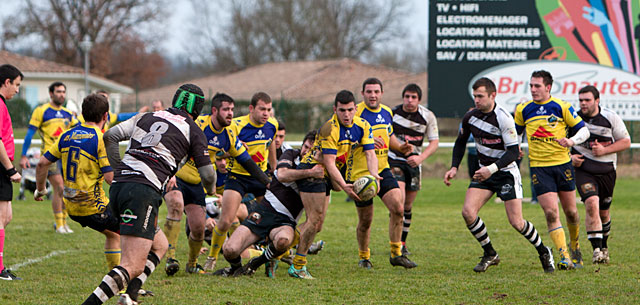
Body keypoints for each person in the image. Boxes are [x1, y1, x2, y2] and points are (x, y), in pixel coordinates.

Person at [82, 84, 215, 305]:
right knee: (131, 265)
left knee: (160, 245)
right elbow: (208, 175)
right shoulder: (193, 129)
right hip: (142, 192)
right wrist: (211, 191)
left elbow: (110, 136)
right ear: (198, 108)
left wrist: (118, 171)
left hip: (119, 188)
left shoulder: (146, 116)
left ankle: (131, 296)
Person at [443, 77, 555, 273]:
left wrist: (491, 169)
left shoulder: (503, 117)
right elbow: (460, 142)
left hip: (505, 173)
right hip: (484, 173)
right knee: (468, 212)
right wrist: (454, 167)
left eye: (480, 96)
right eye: (474, 96)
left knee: (517, 222)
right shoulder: (470, 117)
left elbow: (513, 152)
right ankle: (490, 253)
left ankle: (543, 250)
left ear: (492, 95)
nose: (476, 100)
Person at [163, 93, 268, 275]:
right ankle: (170, 259)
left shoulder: (228, 135)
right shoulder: (198, 125)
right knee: (176, 204)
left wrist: (268, 183)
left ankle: (192, 264)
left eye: (232, 110)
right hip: (176, 176)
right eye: (226, 109)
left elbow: (248, 162)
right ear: (214, 111)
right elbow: (172, 143)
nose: (230, 114)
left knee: (198, 229)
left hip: (197, 183)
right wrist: (169, 172)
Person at [291, 90, 380, 279]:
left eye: (349, 110)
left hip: (326, 173)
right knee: (314, 220)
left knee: (318, 224)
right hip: (312, 171)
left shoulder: (363, 125)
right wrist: (344, 185)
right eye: (342, 110)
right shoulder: (329, 129)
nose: (346, 115)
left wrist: (374, 176)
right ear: (335, 110)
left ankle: (277, 245)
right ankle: (297, 265)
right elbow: (329, 163)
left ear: (356, 109)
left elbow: (371, 153)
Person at [214, 131, 323, 278]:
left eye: (311, 149)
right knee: (230, 250)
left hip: (285, 221)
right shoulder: (291, 154)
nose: (306, 151)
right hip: (263, 212)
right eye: (305, 146)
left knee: (283, 241)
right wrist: (310, 172)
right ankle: (236, 268)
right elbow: (283, 175)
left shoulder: (321, 171)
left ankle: (255, 264)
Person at [514, 70, 590, 270]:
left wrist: (571, 141)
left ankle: (575, 247)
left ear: (548, 87)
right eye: (531, 86)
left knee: (572, 212)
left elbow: (584, 130)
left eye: (537, 86)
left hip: (563, 166)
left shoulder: (561, 107)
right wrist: (517, 148)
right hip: (539, 168)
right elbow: (515, 134)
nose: (533, 89)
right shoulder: (523, 110)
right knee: (550, 212)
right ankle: (564, 255)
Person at [34, 94, 119, 269]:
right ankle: (122, 284)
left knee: (114, 234)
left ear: (82, 113)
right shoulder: (100, 138)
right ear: (105, 116)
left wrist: (40, 189)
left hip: (71, 207)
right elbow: (111, 179)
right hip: (94, 207)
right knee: (126, 234)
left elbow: (42, 163)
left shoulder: (66, 136)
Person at [347, 78, 416, 269]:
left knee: (398, 208)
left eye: (376, 91)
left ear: (381, 93)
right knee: (366, 219)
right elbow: (344, 139)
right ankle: (364, 257)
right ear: (362, 94)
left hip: (382, 169)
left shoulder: (386, 112)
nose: (373, 95)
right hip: (360, 175)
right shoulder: (355, 112)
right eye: (369, 92)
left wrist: (401, 147)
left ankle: (396, 254)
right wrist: (365, 141)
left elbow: (389, 136)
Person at [203, 92, 275, 271]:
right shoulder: (236, 125)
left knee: (271, 218)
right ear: (251, 109)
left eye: (268, 109)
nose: (266, 113)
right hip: (238, 177)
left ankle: (273, 257)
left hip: (260, 176)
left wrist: (274, 169)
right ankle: (212, 257)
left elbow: (271, 144)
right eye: (262, 109)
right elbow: (220, 152)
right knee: (226, 219)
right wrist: (235, 151)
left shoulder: (272, 125)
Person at [570, 85, 630, 264]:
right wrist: (570, 157)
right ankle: (596, 250)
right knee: (591, 203)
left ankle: (604, 246)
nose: (583, 103)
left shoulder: (610, 117)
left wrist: (605, 150)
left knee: (604, 213)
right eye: (581, 100)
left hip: (607, 171)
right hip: (584, 171)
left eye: (587, 100)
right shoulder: (573, 119)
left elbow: (626, 142)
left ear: (597, 100)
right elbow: (561, 144)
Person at [389, 83, 439, 256]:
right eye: (407, 97)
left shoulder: (427, 116)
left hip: (414, 164)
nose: (410, 101)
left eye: (413, 97)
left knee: (408, 206)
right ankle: (395, 243)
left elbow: (434, 142)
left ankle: (402, 242)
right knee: (399, 203)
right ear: (403, 97)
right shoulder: (392, 114)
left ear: (419, 99)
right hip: (395, 161)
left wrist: (420, 158)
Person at [21, 81, 77, 234]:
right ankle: (59, 225)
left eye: (63, 92)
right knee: (59, 186)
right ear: (51, 94)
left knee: (67, 189)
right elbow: (29, 134)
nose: (61, 95)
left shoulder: (68, 114)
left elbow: (79, 129)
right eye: (58, 91)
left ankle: (63, 223)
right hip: (49, 156)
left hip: (66, 157)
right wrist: (23, 155)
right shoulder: (41, 111)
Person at [0, 64, 23, 280]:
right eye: (16, 85)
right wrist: (10, 169)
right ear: (6, 82)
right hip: (1, 168)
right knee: (1, 218)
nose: (17, 90)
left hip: (3, 168)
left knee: (6, 217)